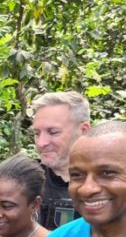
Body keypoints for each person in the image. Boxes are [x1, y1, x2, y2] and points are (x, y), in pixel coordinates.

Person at [30, 91, 91, 230]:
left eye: (53, 132)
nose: (41, 143)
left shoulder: (109, 183)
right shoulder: (26, 180)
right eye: (36, 133)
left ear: (84, 130)